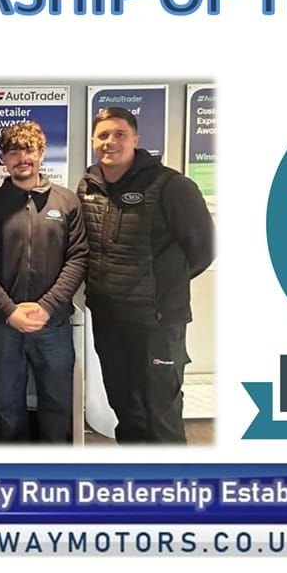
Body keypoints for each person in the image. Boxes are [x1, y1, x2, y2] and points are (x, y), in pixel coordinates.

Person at [78, 107, 214, 444]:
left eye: (120, 134)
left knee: (160, 413)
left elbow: (204, 249)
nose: (110, 142)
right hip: (109, 320)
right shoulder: (88, 187)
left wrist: (161, 283)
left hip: (157, 323)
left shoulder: (171, 185)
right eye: (103, 135)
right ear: (93, 141)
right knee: (125, 408)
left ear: (136, 140)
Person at [0, 121, 88, 442]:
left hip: (53, 324)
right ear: (3, 158)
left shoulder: (66, 202)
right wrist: (9, 311)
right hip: (4, 324)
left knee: (57, 402)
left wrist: (47, 307)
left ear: (41, 153)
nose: (22, 158)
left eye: (29, 151)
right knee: (9, 404)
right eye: (13, 152)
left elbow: (78, 258)